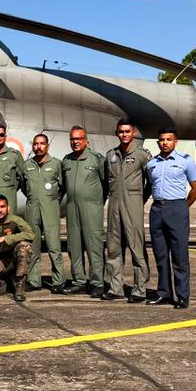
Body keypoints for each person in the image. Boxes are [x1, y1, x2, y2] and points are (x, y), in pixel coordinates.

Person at [145, 128, 196, 309]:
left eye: (169, 139)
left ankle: (182, 296)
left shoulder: (185, 161)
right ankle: (164, 293)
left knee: (179, 255)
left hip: (177, 208)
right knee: (160, 255)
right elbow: (149, 186)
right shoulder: (151, 163)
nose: (165, 143)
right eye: (162, 140)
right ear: (158, 142)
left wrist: (183, 207)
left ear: (175, 142)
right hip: (157, 209)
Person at [103, 118, 153, 302]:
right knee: (113, 248)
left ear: (133, 133)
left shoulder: (142, 155)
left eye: (127, 131)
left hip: (133, 207)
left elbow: (151, 181)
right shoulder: (111, 155)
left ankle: (139, 290)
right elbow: (106, 182)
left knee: (136, 248)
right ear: (117, 133)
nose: (124, 135)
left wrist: (140, 199)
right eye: (121, 132)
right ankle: (115, 288)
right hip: (114, 207)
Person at [62, 125, 107, 296]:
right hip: (72, 209)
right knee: (74, 247)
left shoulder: (97, 159)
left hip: (91, 209)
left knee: (94, 246)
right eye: (72, 139)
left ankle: (97, 283)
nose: (75, 142)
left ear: (86, 141)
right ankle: (79, 281)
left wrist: (97, 202)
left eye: (79, 139)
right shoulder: (67, 160)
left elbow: (106, 184)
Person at [20, 133, 65, 294]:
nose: (38, 147)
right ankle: (34, 280)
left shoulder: (56, 164)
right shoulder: (27, 165)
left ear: (47, 146)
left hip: (50, 209)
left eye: (42, 144)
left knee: (54, 246)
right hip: (32, 209)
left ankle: (58, 281)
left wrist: (51, 200)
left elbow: (62, 186)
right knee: (33, 246)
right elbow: (24, 187)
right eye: (36, 144)